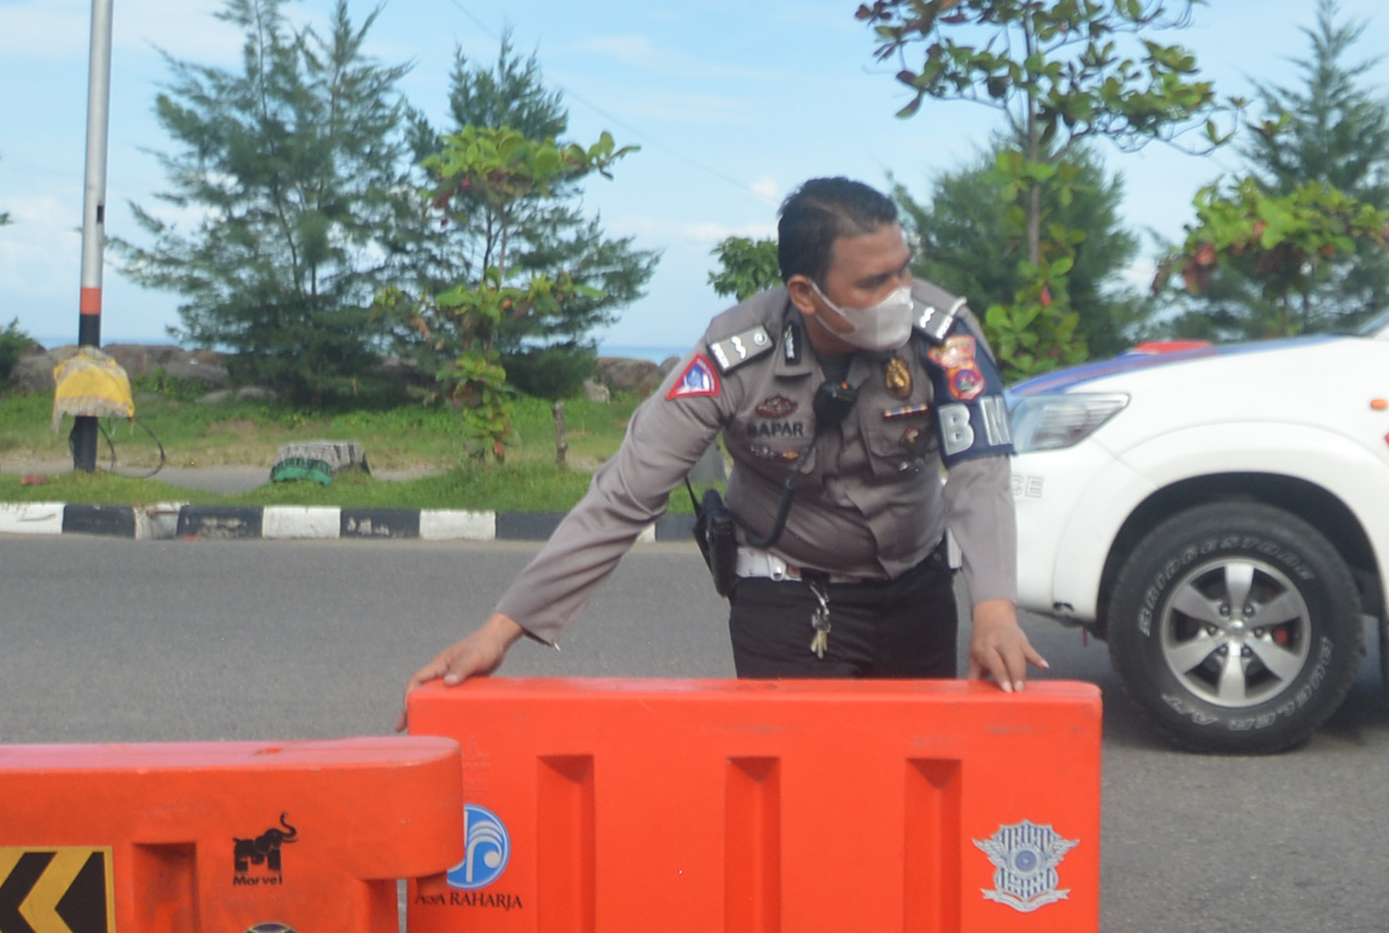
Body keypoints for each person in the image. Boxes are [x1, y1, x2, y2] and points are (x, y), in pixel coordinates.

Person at [412, 177, 1045, 692]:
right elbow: (625, 495)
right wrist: (504, 626)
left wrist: (994, 608)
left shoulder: (945, 335)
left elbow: (980, 469)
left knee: (911, 792)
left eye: (903, 272)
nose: (900, 295)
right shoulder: (734, 355)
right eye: (874, 283)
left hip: (917, 590)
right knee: (806, 800)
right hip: (788, 601)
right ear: (805, 292)